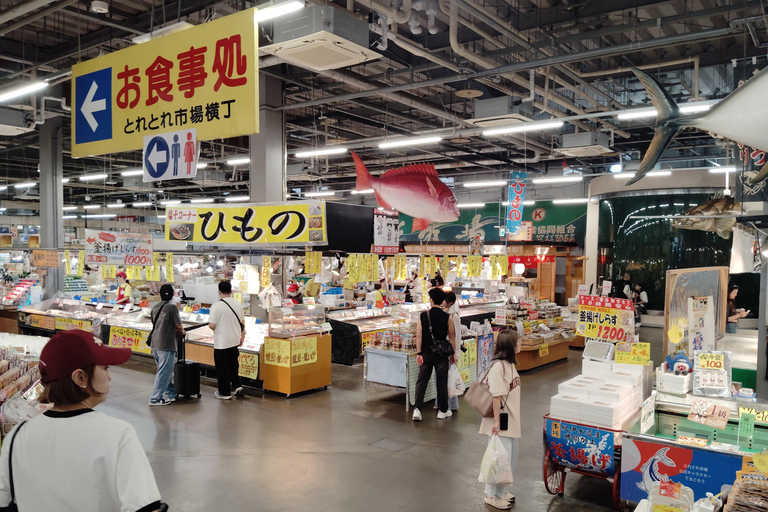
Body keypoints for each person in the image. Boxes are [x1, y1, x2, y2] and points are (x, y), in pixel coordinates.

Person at [0, 329, 166, 512]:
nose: (110, 376)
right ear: (80, 377)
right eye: (105, 368)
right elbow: (145, 507)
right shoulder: (118, 434)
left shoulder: (16, 437)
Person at [478, 329, 521, 510]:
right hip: (501, 420)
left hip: (510, 418)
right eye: (518, 342)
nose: (520, 344)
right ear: (510, 346)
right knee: (498, 460)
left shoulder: (509, 364)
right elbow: (496, 397)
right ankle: (490, 494)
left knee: (508, 458)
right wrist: (496, 422)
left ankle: (501, 491)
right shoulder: (498, 367)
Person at [413, 287, 456, 421]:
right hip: (441, 355)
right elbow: (452, 337)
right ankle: (443, 411)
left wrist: (419, 353)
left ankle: (417, 410)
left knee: (422, 381)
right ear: (442, 300)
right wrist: (452, 354)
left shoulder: (423, 315)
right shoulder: (448, 317)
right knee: (441, 382)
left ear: (431, 300)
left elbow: (418, 335)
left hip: (426, 353)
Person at [149, 284, 185, 406]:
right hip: (167, 343)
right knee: (164, 372)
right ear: (172, 294)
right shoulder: (172, 307)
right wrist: (182, 332)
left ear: (160, 294)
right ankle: (155, 398)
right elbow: (179, 326)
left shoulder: (154, 307)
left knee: (164, 370)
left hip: (155, 343)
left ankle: (171, 393)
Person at [208, 281, 245, 400]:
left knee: (222, 368)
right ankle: (237, 386)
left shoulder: (216, 305)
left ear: (219, 292)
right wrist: (242, 337)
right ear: (231, 291)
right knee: (234, 365)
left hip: (222, 343)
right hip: (234, 340)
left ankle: (224, 393)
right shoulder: (238, 304)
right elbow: (243, 323)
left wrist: (213, 326)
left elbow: (212, 325)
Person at [443, 291, 462, 412]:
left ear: (449, 302)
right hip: (446, 349)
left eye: (444, 299)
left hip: (450, 350)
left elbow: (457, 335)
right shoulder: (446, 313)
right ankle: (443, 402)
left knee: (450, 378)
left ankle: (452, 404)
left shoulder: (454, 315)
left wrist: (455, 352)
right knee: (446, 378)